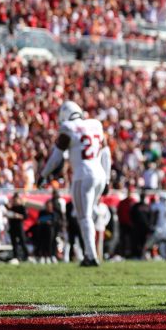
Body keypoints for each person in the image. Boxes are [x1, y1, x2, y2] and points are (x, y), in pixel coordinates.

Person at [39, 100, 111, 267]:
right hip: (99, 174)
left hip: (83, 175)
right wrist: (107, 178)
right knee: (84, 216)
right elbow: (106, 153)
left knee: (83, 217)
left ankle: (91, 256)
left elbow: (56, 157)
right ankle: (89, 250)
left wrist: (43, 175)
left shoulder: (68, 128)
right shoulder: (96, 125)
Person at [7, 192, 28, 262]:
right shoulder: (11, 207)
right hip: (12, 226)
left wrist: (17, 216)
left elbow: (25, 217)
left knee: (22, 241)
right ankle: (15, 256)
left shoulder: (22, 207)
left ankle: (26, 256)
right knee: (14, 243)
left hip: (19, 226)